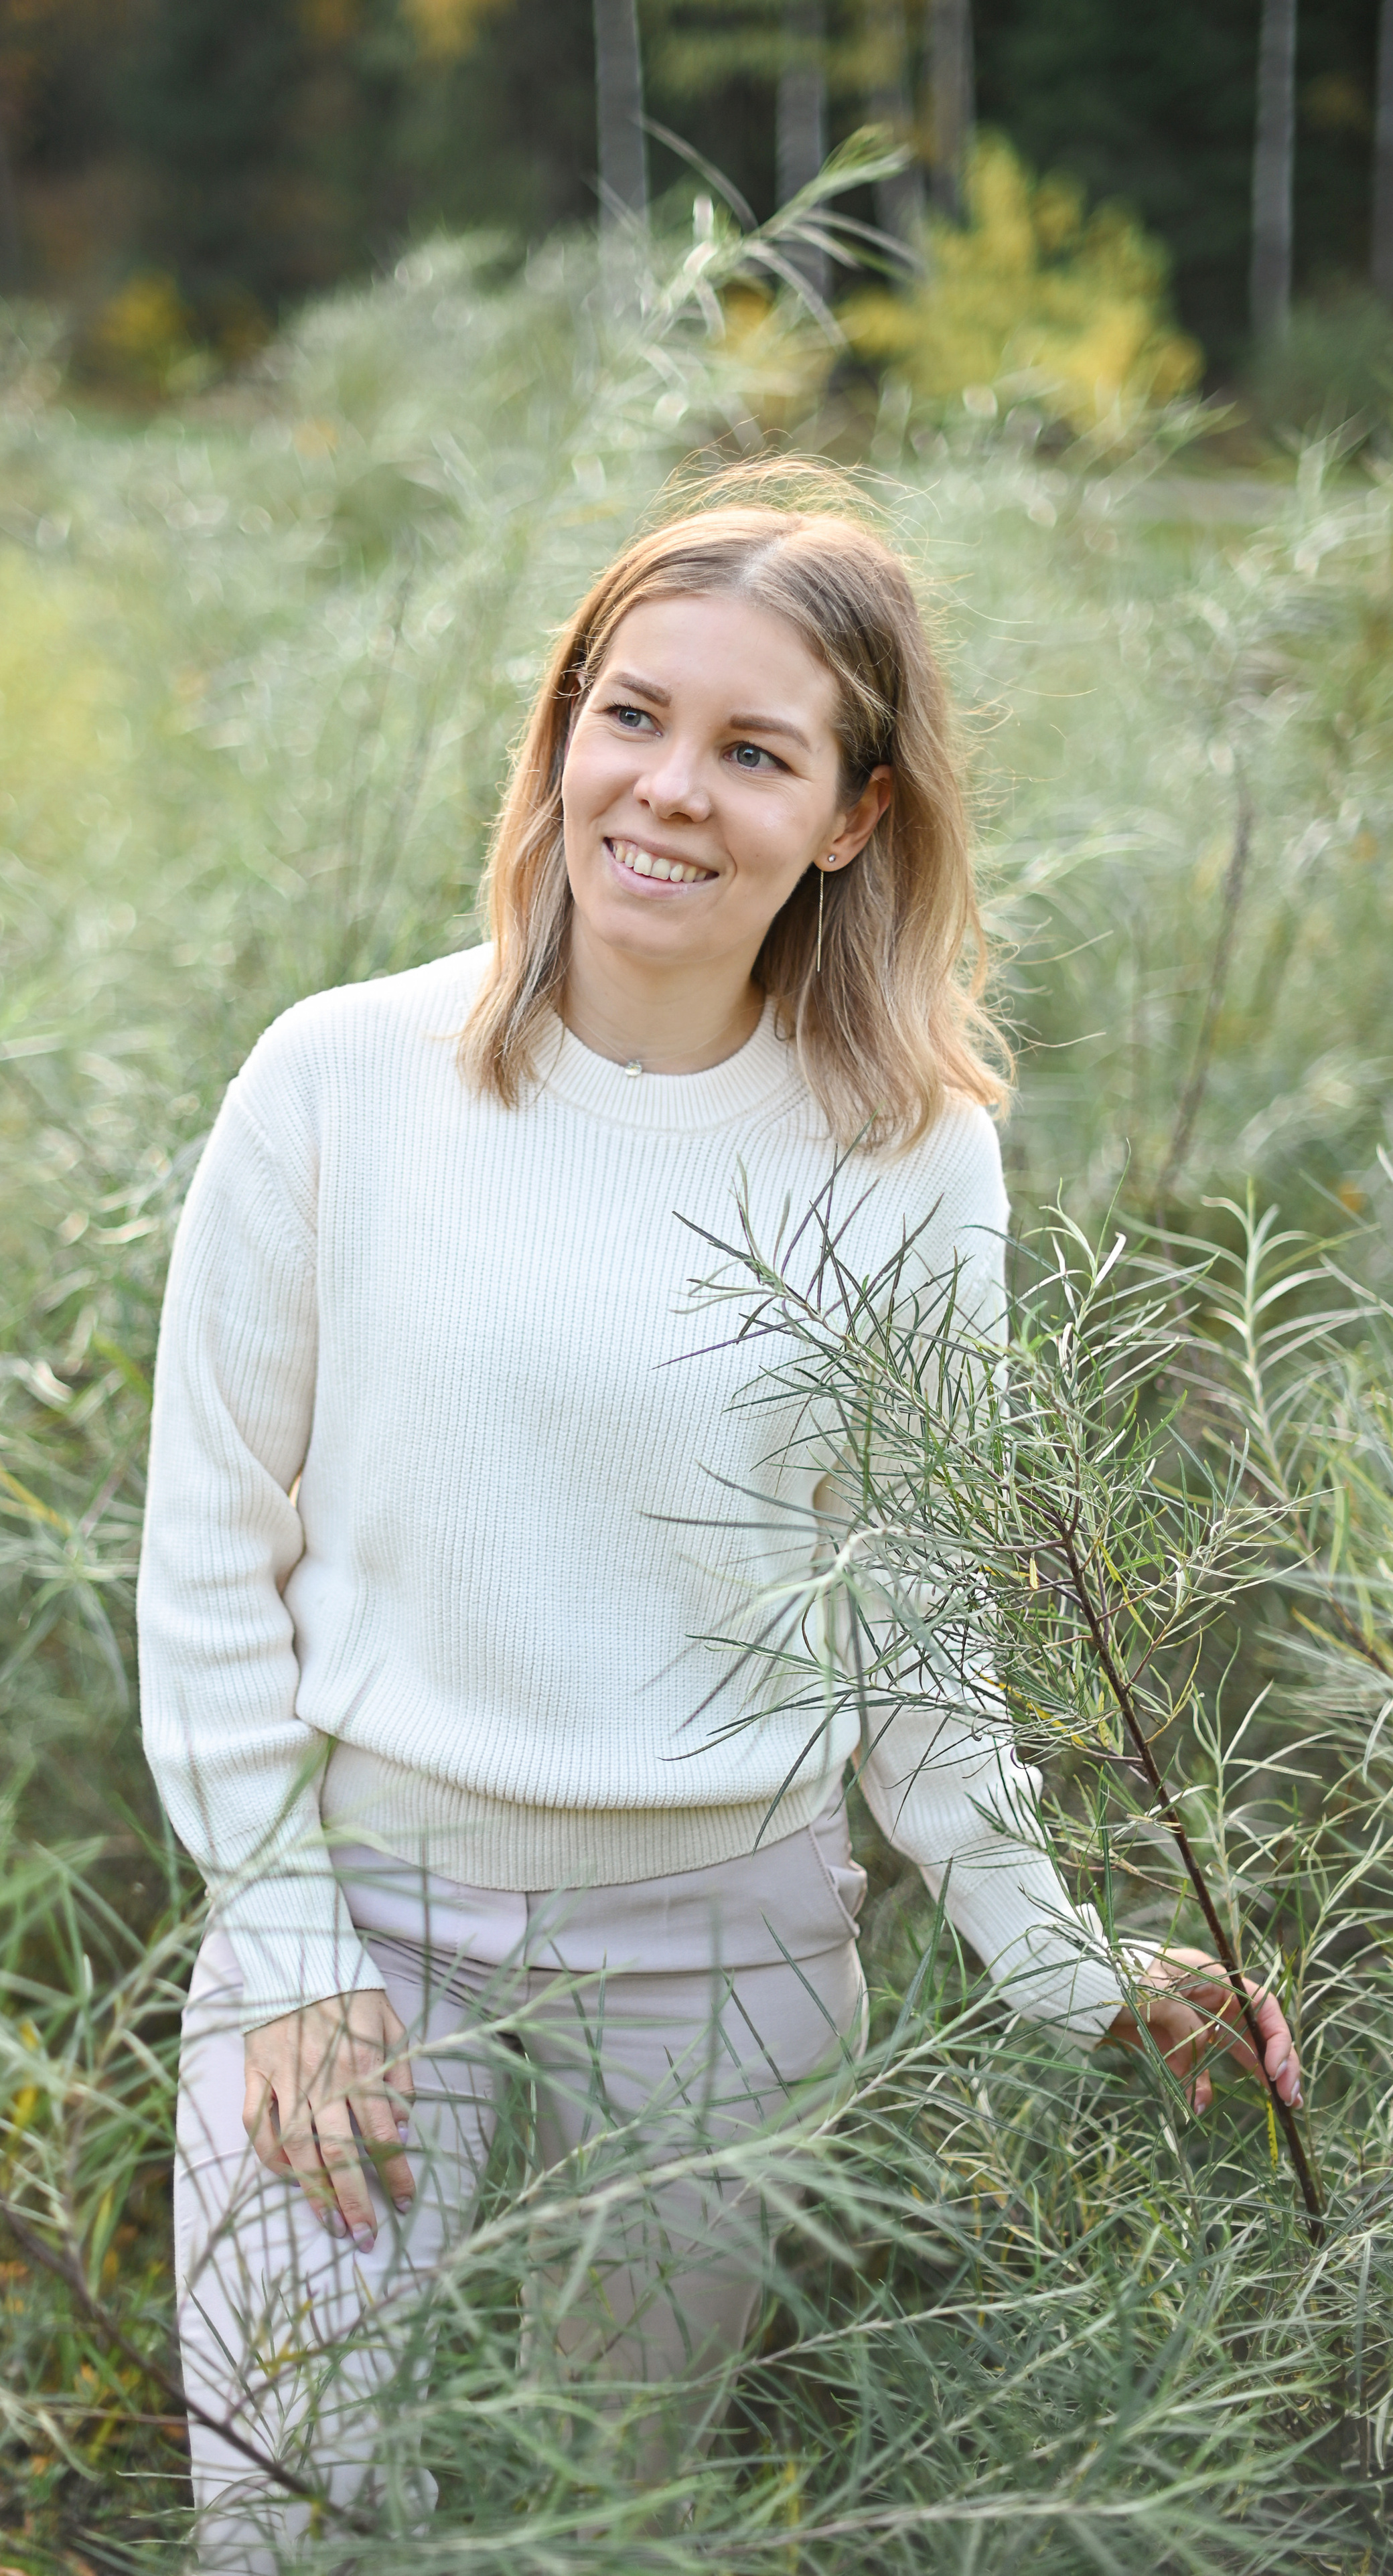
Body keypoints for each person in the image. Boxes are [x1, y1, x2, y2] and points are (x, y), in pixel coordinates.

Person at [137, 477, 1303, 2565]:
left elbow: (915, 1605)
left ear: (852, 816)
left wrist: (1058, 1957)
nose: (668, 792)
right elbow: (215, 1545)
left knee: (595, 2523)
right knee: (292, 2518)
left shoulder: (911, 1156)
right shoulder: (338, 1077)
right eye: (632, 716)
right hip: (363, 1926)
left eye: (753, 751)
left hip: (727, 1967)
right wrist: (290, 1935)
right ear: (563, 731)